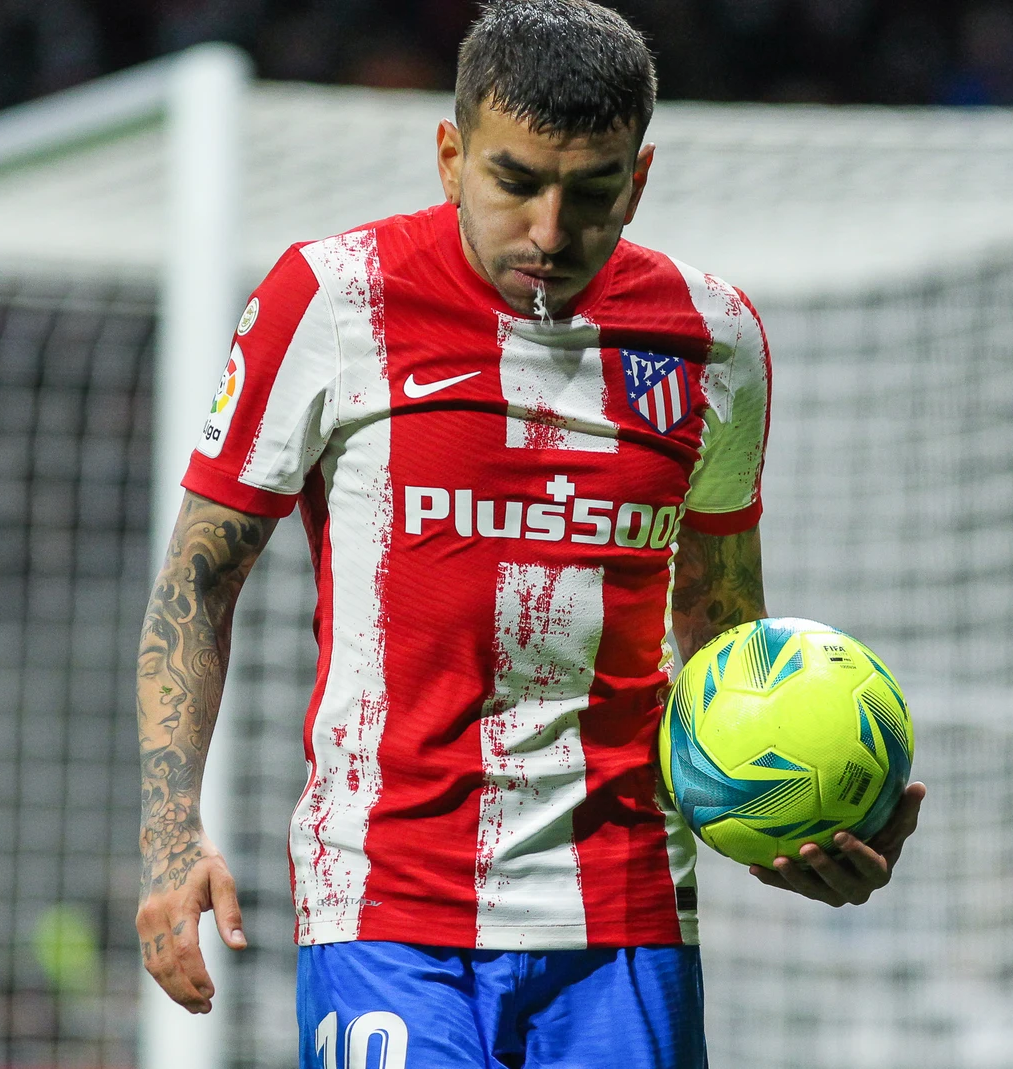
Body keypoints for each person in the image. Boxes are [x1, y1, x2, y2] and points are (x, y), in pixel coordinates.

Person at [133, 1, 927, 1063]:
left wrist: (783, 815)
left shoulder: (713, 340)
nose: (552, 233)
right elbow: (197, 579)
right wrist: (167, 833)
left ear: (638, 179)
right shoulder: (332, 300)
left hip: (625, 914)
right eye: (516, 183)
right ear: (451, 156)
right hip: (387, 905)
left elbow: (723, 626)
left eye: (592, 193)